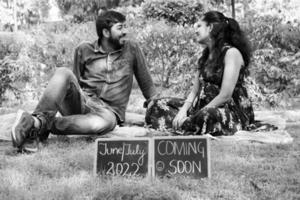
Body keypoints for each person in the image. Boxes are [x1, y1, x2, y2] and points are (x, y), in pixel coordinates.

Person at [11, 10, 157, 153]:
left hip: (109, 113)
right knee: (63, 72)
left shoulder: (131, 48)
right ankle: (36, 124)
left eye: (125, 26)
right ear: (106, 33)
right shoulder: (84, 49)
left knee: (106, 122)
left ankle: (35, 124)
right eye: (120, 28)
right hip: (83, 103)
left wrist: (157, 107)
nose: (125, 31)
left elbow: (146, 83)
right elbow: (72, 82)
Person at [145, 11, 276, 135]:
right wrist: (183, 111)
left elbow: (225, 95)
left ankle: (186, 125)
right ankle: (188, 124)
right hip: (201, 108)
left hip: (228, 111)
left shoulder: (231, 53)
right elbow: (194, 92)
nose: (195, 30)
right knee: (156, 105)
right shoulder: (205, 55)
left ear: (210, 27)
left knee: (207, 116)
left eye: (199, 26)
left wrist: (197, 115)